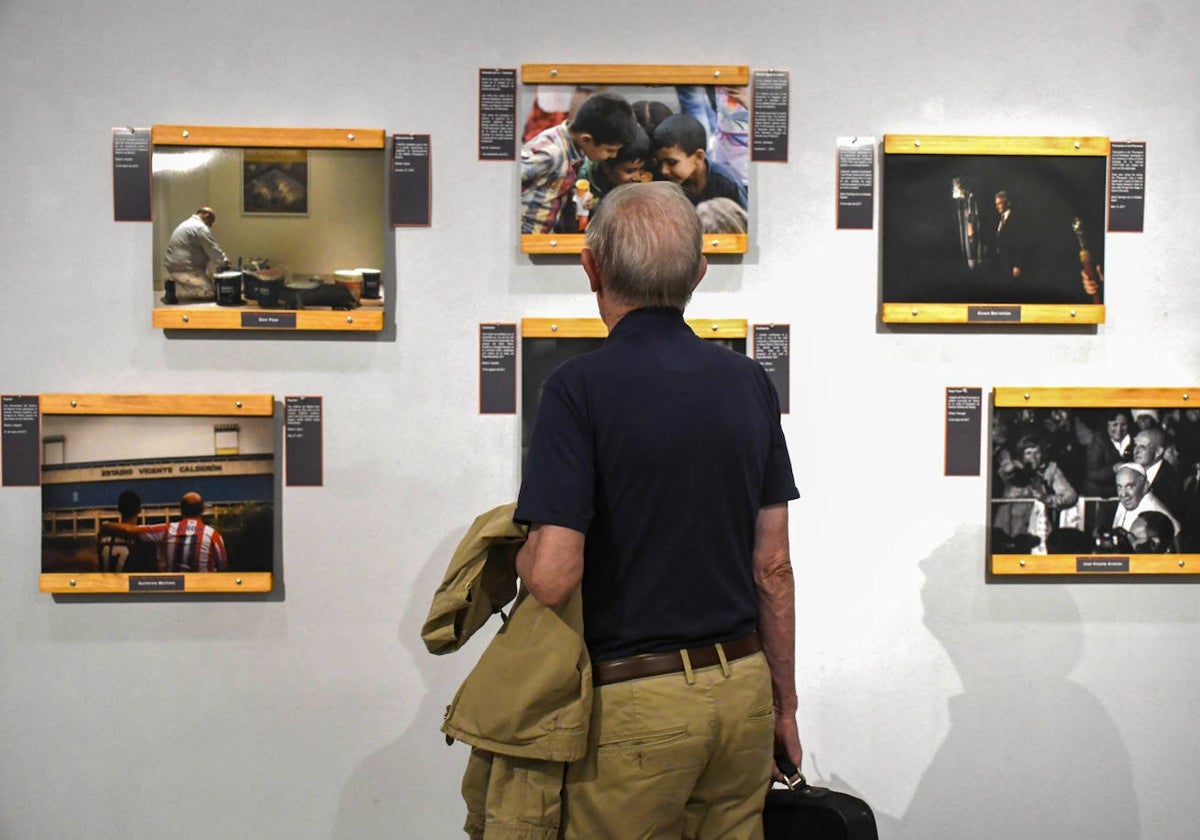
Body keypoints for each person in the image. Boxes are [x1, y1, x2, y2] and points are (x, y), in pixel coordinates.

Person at [513, 181, 801, 838]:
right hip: (742, 693)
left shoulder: (576, 389)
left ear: (592, 268)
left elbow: (554, 575)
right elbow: (774, 567)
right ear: (700, 272)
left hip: (635, 706)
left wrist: (522, 544)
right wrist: (783, 708)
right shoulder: (749, 384)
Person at [520, 91, 639, 234]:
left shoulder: (576, 148)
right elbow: (506, 180)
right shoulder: (550, 153)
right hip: (523, 236)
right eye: (610, 150)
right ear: (586, 139)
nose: (614, 156)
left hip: (542, 233)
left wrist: (575, 194)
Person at [101, 491, 227, 572]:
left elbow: (129, 530)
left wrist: (106, 524)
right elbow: (223, 566)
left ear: (181, 510)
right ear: (202, 510)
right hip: (205, 593)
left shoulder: (168, 529)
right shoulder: (214, 536)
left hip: (176, 594)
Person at [653, 113, 748, 210]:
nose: (663, 170)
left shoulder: (727, 183)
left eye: (671, 162)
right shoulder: (666, 180)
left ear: (698, 157)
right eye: (659, 162)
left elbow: (743, 221)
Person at [163, 207, 229, 300]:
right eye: (211, 222)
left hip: (175, 266)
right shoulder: (200, 227)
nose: (210, 226)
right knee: (210, 293)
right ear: (206, 215)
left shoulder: (187, 223)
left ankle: (174, 284)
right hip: (186, 269)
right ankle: (176, 290)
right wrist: (224, 261)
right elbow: (212, 249)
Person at [1132, 427, 1186, 521]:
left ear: (1158, 451)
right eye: (1135, 445)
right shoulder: (1133, 472)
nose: (1136, 451)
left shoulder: (1170, 481)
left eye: (1142, 447)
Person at [1110, 463, 1180, 536]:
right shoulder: (1128, 501)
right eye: (1119, 487)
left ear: (1145, 487)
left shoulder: (1156, 512)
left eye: (1130, 486)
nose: (1124, 494)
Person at [96, 490, 157, 573]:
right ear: (139, 510)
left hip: (106, 584)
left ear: (119, 509)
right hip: (129, 585)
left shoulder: (104, 534)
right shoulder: (144, 540)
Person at [992, 190, 1022, 279]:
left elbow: (1019, 242)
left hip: (1012, 263)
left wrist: (1017, 265)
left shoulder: (1015, 219)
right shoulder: (1001, 218)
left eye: (999, 204)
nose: (997, 207)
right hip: (1002, 262)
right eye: (996, 204)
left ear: (1007, 203)